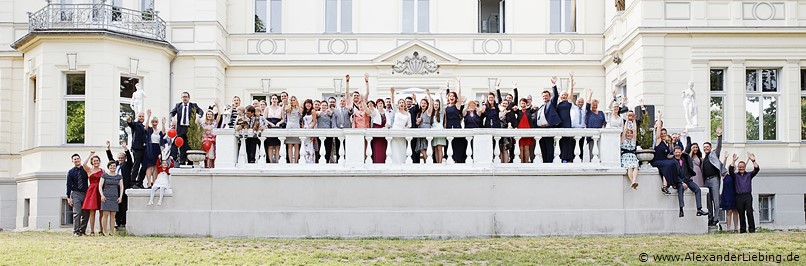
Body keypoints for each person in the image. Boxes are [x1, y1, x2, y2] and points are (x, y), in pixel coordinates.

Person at [671, 145, 709, 218]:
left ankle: (699, 209)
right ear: (674, 152)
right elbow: (674, 174)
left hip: (687, 179)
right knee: (680, 189)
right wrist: (682, 182)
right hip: (679, 181)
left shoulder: (684, 158)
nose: (677, 154)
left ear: (681, 152)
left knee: (697, 189)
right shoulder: (672, 161)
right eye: (676, 152)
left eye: (679, 152)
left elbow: (688, 150)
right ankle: (681, 209)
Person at [169, 92, 204, 166]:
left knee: (189, 145)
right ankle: (182, 160)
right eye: (183, 97)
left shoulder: (193, 105)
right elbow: (172, 113)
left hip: (190, 128)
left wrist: (198, 117)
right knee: (180, 145)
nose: (185, 98)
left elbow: (201, 111)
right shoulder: (178, 105)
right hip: (181, 128)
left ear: (189, 98)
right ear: (181, 98)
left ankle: (190, 162)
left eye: (186, 97)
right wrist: (172, 118)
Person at [701, 127, 725, 227]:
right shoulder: (703, 158)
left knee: (716, 200)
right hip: (706, 181)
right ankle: (710, 218)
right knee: (708, 201)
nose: (706, 148)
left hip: (714, 179)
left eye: (707, 147)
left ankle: (716, 219)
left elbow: (719, 147)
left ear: (710, 148)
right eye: (704, 147)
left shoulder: (713, 154)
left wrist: (719, 136)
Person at [730, 152, 760, 233]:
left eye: (742, 167)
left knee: (749, 213)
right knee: (741, 214)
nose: (741, 168)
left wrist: (753, 161)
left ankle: (752, 229)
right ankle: (743, 230)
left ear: (745, 167)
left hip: (747, 196)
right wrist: (733, 161)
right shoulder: (735, 176)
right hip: (739, 196)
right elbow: (730, 170)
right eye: (739, 167)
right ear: (738, 167)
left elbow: (757, 169)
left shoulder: (749, 175)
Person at [105, 141, 132, 229]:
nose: (120, 159)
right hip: (114, 187)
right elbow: (110, 159)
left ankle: (123, 222)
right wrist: (108, 149)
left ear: (124, 158)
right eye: (119, 158)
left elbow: (130, 158)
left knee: (123, 205)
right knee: (116, 205)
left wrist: (125, 148)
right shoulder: (115, 165)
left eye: (122, 157)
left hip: (124, 187)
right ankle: (117, 222)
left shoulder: (127, 165)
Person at [535, 77, 561, 163]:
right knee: (543, 147)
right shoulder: (541, 107)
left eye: (546, 96)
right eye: (543, 96)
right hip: (540, 130)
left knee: (549, 147)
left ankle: (549, 163)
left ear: (549, 97)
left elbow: (556, 96)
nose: (545, 97)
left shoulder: (551, 104)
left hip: (548, 128)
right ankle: (545, 162)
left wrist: (554, 85)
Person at [650, 112, 677, 194]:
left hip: (665, 161)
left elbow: (667, 156)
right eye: (661, 133)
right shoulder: (658, 141)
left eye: (664, 133)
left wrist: (674, 155)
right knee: (669, 164)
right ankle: (669, 183)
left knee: (673, 163)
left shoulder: (666, 143)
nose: (663, 135)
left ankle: (666, 185)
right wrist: (659, 117)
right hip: (657, 161)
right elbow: (658, 128)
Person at [66, 153, 89, 236]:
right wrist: (68, 197)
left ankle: (82, 230)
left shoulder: (85, 170)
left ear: (80, 159)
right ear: (72, 161)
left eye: (78, 158)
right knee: (77, 213)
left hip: (86, 193)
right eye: (75, 159)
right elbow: (68, 185)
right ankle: (76, 231)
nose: (76, 160)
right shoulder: (71, 172)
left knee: (86, 213)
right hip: (76, 193)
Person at [81, 151, 104, 236]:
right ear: (92, 162)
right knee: (92, 212)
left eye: (97, 160)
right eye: (94, 161)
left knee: (102, 211)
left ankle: (102, 230)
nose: (96, 162)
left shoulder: (103, 170)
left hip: (100, 190)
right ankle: (92, 231)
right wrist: (90, 155)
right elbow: (83, 164)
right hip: (92, 191)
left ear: (99, 161)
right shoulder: (89, 170)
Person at [98, 161, 123, 236]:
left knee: (113, 215)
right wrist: (102, 195)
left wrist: (120, 196)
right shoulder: (104, 175)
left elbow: (121, 187)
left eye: (114, 166)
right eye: (111, 166)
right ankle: (104, 231)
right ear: (108, 167)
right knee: (105, 214)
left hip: (114, 197)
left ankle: (112, 232)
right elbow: (100, 186)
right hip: (106, 196)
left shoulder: (119, 176)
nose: (112, 167)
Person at [445, 79, 466, 163]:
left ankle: (458, 159)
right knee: (449, 143)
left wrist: (459, 83)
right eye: (450, 96)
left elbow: (459, 94)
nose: (452, 97)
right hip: (448, 126)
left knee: (457, 143)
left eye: (453, 96)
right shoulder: (446, 107)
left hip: (456, 125)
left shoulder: (457, 106)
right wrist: (447, 87)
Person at [389, 87, 412, 164]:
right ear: (398, 105)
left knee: (401, 148)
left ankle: (402, 162)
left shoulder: (408, 114)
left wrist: (405, 129)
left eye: (403, 102)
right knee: (394, 148)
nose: (401, 104)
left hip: (402, 132)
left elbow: (409, 125)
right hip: (395, 130)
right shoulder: (396, 111)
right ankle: (394, 163)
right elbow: (392, 103)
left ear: (404, 104)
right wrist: (392, 93)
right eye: (400, 103)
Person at [143, 115, 165, 187]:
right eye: (153, 122)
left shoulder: (159, 131)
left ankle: (154, 182)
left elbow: (163, 133)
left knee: (156, 165)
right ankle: (149, 182)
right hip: (150, 148)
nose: (154, 123)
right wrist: (148, 116)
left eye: (156, 122)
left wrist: (163, 124)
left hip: (157, 148)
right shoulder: (149, 130)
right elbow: (146, 127)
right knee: (149, 165)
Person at [556, 74, 574, 163]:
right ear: (560, 96)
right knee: (560, 141)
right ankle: (560, 157)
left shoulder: (568, 102)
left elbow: (571, 92)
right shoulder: (558, 104)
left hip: (567, 123)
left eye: (565, 95)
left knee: (567, 141)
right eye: (563, 95)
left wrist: (571, 80)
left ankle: (565, 158)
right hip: (560, 124)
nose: (564, 96)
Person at [719, 151, 739, 232]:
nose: (733, 168)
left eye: (734, 167)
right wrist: (725, 158)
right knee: (728, 211)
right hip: (727, 195)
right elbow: (722, 168)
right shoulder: (725, 175)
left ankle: (736, 228)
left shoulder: (737, 175)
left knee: (735, 211)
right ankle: (728, 228)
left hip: (735, 195)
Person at [127, 111, 147, 188]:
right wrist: (129, 121)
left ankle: (139, 181)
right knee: (136, 165)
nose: (141, 118)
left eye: (142, 116)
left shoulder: (143, 126)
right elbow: (131, 124)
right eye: (140, 116)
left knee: (144, 166)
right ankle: (132, 182)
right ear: (137, 117)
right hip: (137, 148)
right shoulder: (135, 124)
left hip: (144, 148)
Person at [585, 95, 607, 161]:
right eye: (593, 105)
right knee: (593, 151)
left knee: (600, 150)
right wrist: (589, 95)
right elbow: (587, 105)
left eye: (596, 105)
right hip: (591, 136)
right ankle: (593, 163)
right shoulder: (588, 112)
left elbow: (604, 122)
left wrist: (602, 129)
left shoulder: (601, 113)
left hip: (600, 135)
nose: (594, 106)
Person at [201, 101, 222, 168]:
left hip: (212, 141)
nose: (209, 115)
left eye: (210, 114)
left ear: (212, 115)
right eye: (208, 114)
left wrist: (218, 106)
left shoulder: (214, 123)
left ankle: (211, 168)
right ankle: (205, 167)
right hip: (204, 140)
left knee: (211, 156)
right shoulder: (203, 124)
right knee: (205, 156)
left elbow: (219, 115)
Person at [514, 98, 536, 163]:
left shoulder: (529, 111)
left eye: (524, 103)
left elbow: (534, 110)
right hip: (520, 130)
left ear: (526, 104)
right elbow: (512, 109)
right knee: (520, 148)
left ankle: (526, 163)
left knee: (526, 148)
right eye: (522, 103)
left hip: (527, 130)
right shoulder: (518, 111)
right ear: (520, 104)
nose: (523, 104)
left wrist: (535, 108)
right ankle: (521, 163)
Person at [264, 94, 285, 163]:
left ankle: (277, 161)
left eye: (275, 98)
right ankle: (270, 161)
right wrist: (270, 124)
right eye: (273, 98)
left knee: (277, 145)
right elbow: (264, 118)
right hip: (270, 126)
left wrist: (279, 123)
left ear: (277, 100)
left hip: (278, 126)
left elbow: (283, 119)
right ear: (271, 100)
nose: (274, 100)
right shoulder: (267, 108)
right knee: (270, 145)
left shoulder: (280, 108)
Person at [283, 96, 303, 163]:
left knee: (297, 145)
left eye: (294, 100)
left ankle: (296, 161)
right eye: (291, 100)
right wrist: (285, 102)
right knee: (290, 145)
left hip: (297, 127)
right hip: (289, 127)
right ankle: (291, 161)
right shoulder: (288, 108)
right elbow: (283, 110)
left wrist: (299, 106)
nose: (292, 101)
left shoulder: (299, 108)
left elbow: (301, 115)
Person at [368, 99, 387, 163]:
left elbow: (389, 121)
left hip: (384, 132)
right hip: (376, 130)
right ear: (377, 105)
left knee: (384, 149)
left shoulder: (386, 111)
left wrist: (387, 125)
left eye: (381, 103)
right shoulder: (375, 111)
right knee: (377, 148)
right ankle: (376, 161)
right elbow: (372, 111)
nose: (380, 104)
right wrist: (370, 107)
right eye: (379, 103)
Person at [431, 96, 447, 164]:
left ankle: (440, 163)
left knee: (439, 148)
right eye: (435, 104)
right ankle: (437, 162)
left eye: (437, 104)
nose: (436, 106)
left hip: (440, 131)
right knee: (435, 149)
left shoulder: (441, 113)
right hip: (433, 132)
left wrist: (441, 95)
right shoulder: (432, 113)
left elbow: (442, 104)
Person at [301, 99, 317, 163]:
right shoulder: (304, 112)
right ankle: (305, 160)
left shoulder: (313, 111)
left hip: (310, 129)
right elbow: (302, 122)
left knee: (310, 146)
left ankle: (311, 160)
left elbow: (314, 121)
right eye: (307, 103)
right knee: (305, 145)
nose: (308, 104)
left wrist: (310, 127)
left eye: (309, 103)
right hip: (304, 130)